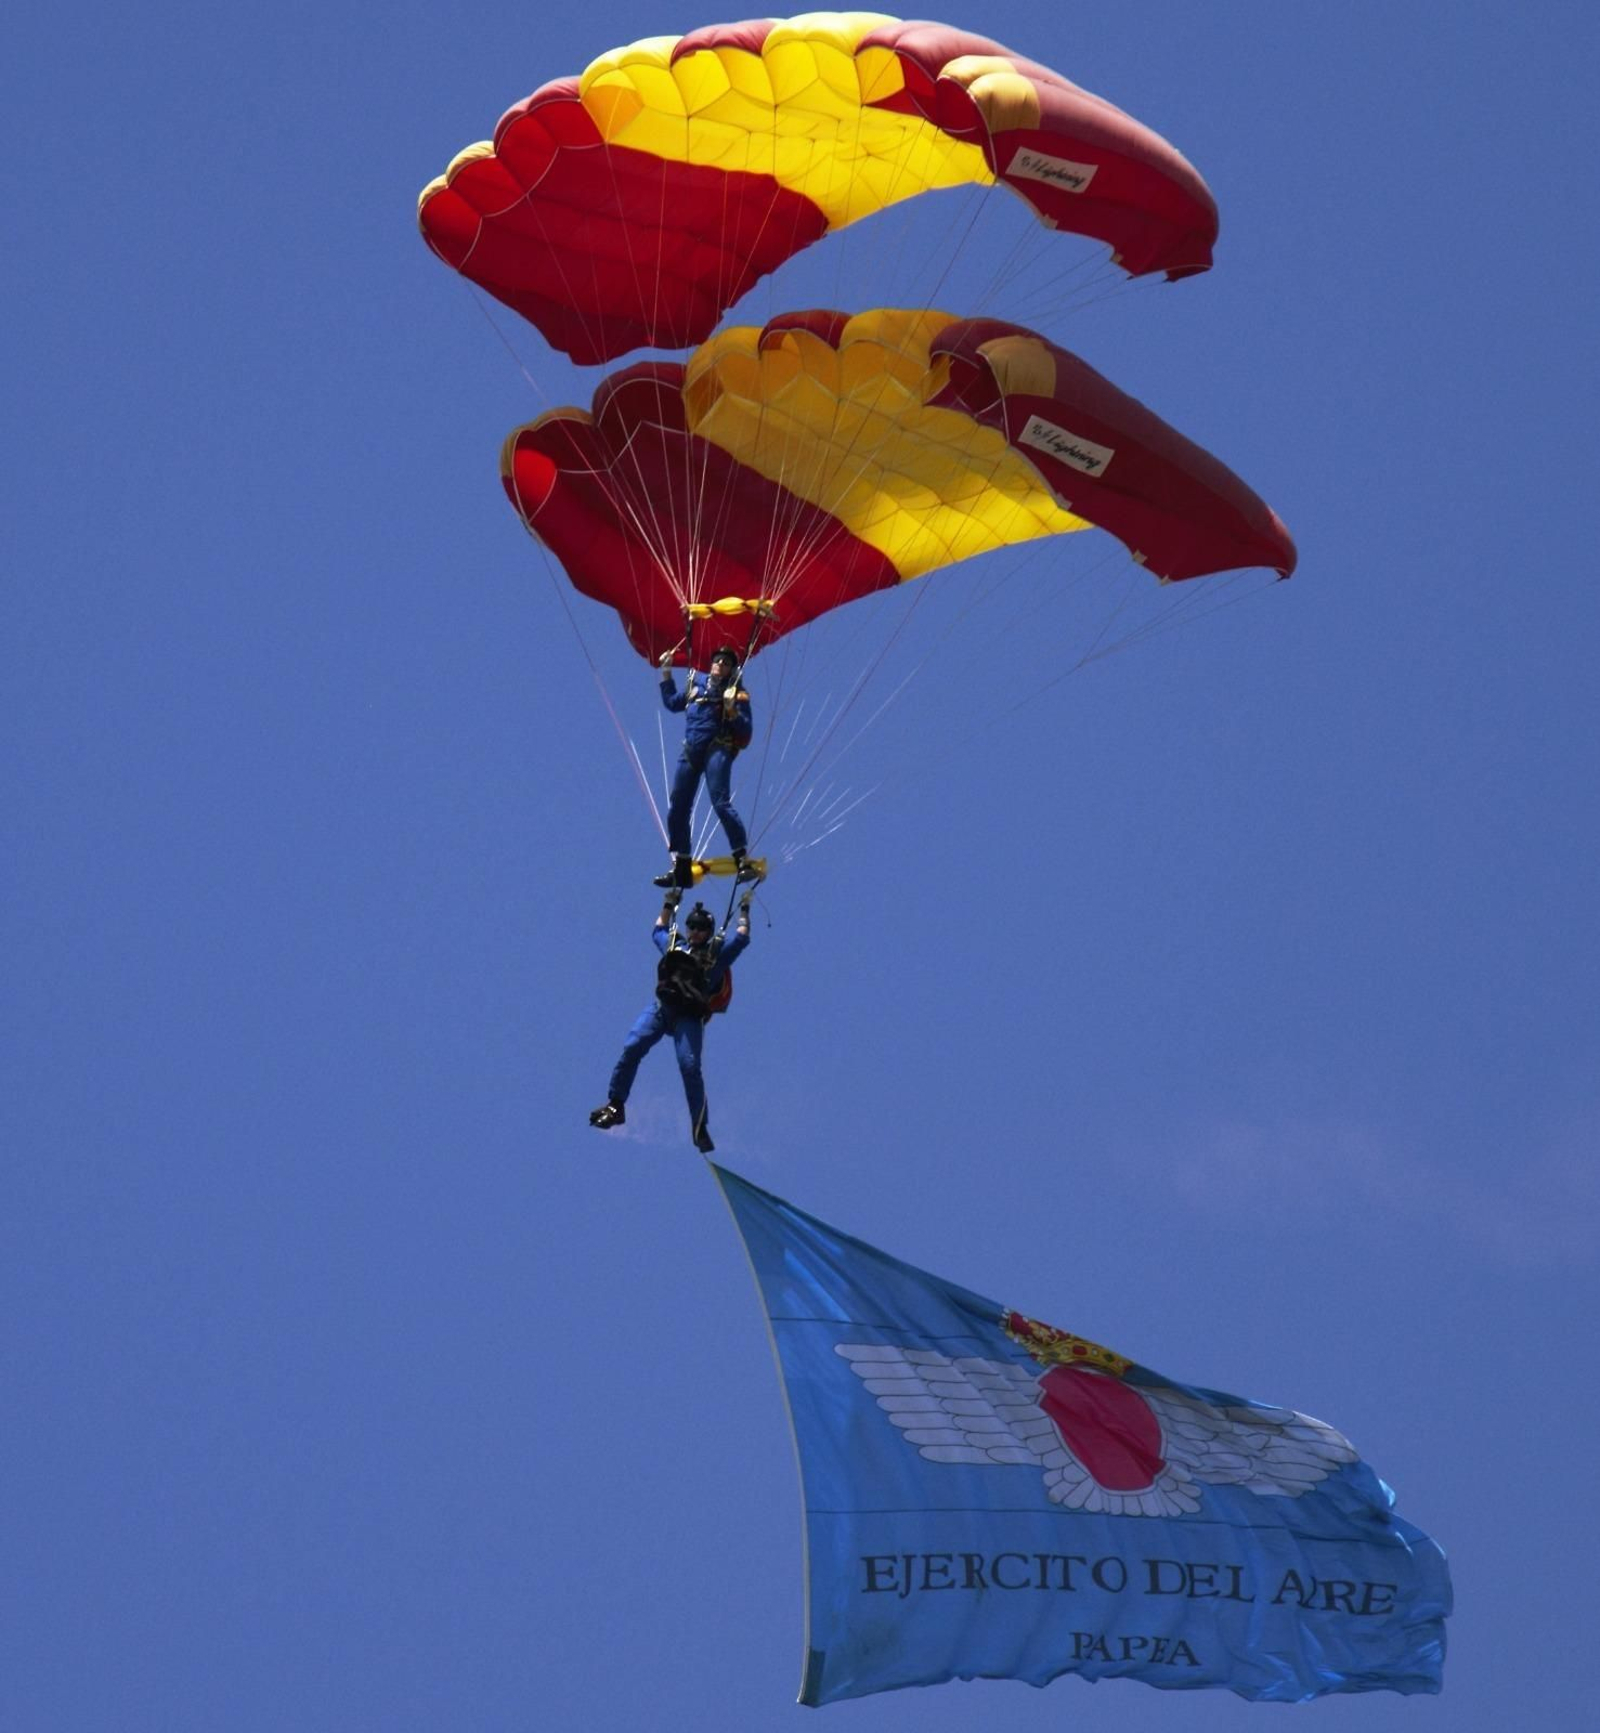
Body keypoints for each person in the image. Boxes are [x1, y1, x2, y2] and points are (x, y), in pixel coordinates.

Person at [590, 890, 752, 1153]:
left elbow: (742, 938)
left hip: (688, 1018)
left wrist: (745, 909)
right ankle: (616, 1105)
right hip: (662, 1010)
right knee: (633, 1046)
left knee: (689, 1067)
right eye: (692, 925)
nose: (695, 931)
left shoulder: (716, 957)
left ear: (709, 932)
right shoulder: (676, 946)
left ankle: (700, 1126)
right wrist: (669, 902)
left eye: (701, 928)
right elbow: (657, 930)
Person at [655, 644, 753, 889]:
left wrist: (730, 710)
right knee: (678, 806)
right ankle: (682, 868)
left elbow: (746, 730)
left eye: (727, 663)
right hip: (691, 749)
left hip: (717, 747)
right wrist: (666, 671)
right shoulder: (694, 685)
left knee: (720, 802)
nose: (720, 664)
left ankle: (742, 860)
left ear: (733, 670)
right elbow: (672, 702)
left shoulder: (737, 694)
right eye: (718, 660)